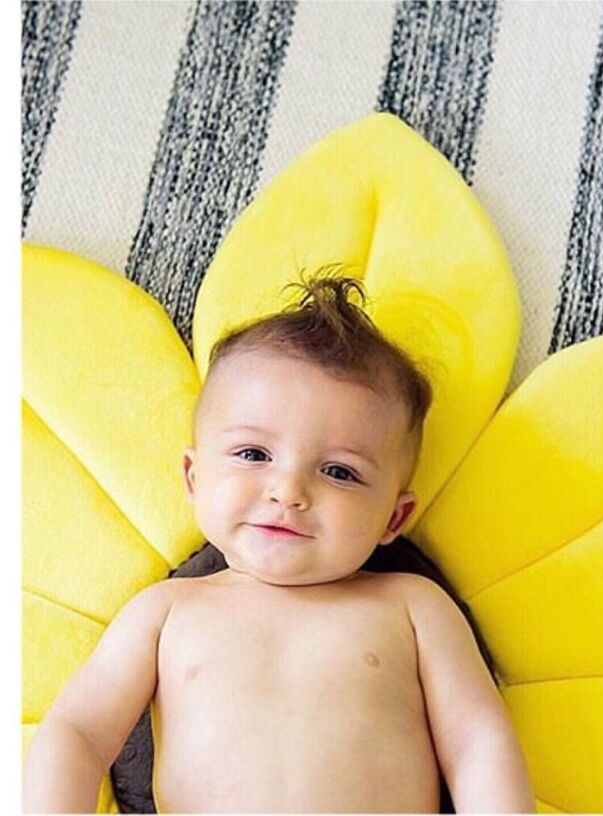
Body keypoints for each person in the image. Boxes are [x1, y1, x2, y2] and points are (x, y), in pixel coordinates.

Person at [23, 272, 535, 814]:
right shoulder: (164, 612)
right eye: (252, 455)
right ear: (194, 478)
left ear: (394, 516)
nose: (288, 491)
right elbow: (76, 732)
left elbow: (479, 743)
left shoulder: (413, 607)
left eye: (339, 471)